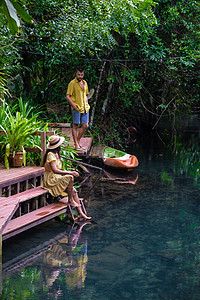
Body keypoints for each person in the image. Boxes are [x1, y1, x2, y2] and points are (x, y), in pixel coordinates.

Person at [41, 135, 91, 220]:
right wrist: (70, 172)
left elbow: (59, 170)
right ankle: (70, 201)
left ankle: (80, 213)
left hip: (57, 177)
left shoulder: (56, 154)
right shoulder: (50, 155)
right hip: (50, 179)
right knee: (70, 177)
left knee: (74, 191)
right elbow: (55, 170)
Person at [66, 67, 90, 151]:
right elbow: (67, 96)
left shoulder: (85, 83)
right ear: (76, 74)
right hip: (76, 107)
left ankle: (77, 141)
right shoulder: (72, 83)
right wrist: (73, 105)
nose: (80, 76)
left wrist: (86, 102)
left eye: (82, 74)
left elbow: (86, 95)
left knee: (85, 125)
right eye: (79, 75)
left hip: (85, 108)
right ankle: (76, 144)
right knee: (75, 125)